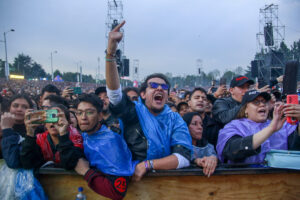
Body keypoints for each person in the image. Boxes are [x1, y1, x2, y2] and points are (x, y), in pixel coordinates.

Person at [106, 21, 192, 181]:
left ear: (167, 95)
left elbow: (183, 158)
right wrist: (110, 54)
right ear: (143, 94)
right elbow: (115, 95)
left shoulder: (175, 120)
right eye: (154, 85)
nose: (160, 89)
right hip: (132, 184)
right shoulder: (133, 113)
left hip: (167, 185)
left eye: (164, 87)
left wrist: (147, 165)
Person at [73, 94, 137, 200]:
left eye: (89, 112)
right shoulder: (83, 136)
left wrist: (86, 172)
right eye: (79, 113)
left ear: (100, 116)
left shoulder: (111, 141)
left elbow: (117, 192)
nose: (83, 117)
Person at [217, 90, 300, 164]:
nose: (262, 105)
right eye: (256, 102)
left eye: (264, 102)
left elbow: (296, 146)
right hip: (246, 178)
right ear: (245, 109)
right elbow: (232, 151)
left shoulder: (282, 125)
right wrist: (270, 129)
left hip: (281, 178)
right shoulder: (234, 126)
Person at [20, 104, 83, 169]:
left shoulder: (77, 138)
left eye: (58, 117)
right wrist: (30, 134)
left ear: (68, 122)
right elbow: (27, 164)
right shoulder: (39, 139)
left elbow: (70, 164)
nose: (53, 122)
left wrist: (63, 134)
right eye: (50, 117)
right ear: (45, 123)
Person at [1, 94, 33, 168]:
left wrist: (7, 130)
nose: (19, 109)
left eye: (24, 107)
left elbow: (13, 161)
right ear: (9, 108)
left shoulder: (35, 130)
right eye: (15, 106)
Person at [183, 112, 218, 177]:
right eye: (194, 124)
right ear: (185, 126)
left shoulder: (207, 145)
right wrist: (196, 161)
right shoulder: (179, 145)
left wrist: (213, 159)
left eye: (201, 124)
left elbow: (212, 155)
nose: (200, 127)